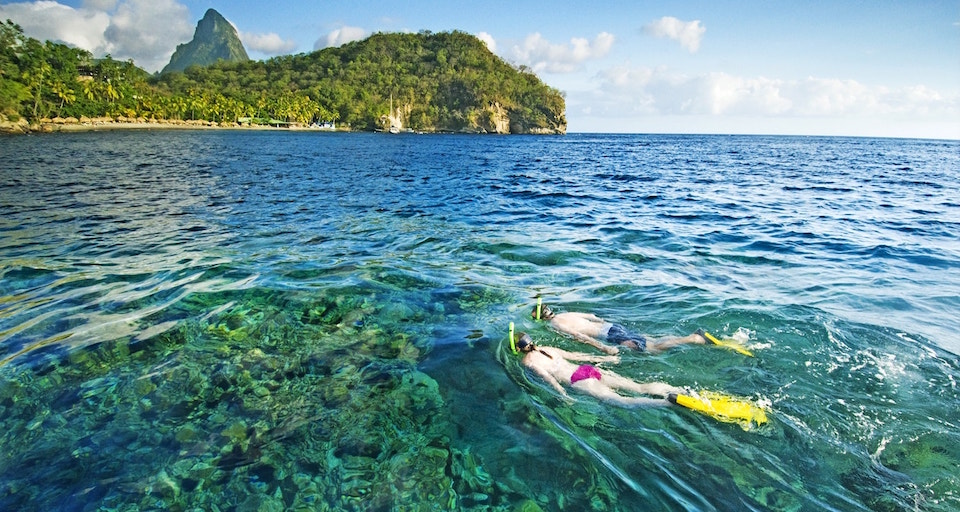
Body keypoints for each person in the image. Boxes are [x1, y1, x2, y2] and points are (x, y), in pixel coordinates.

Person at [513, 332, 684, 407]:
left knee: (623, 402)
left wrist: (562, 395)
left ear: (518, 349)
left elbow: (548, 378)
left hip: (578, 380)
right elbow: (577, 355)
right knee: (639, 387)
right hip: (586, 369)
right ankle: (676, 390)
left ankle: (667, 404)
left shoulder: (528, 361)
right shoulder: (548, 348)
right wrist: (604, 358)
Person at [531, 301, 709, 355]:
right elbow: (592, 317)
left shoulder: (556, 324)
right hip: (611, 326)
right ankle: (690, 337)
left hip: (608, 336)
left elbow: (580, 336)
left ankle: (693, 339)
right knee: (650, 341)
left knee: (651, 350)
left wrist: (604, 347)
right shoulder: (566, 314)